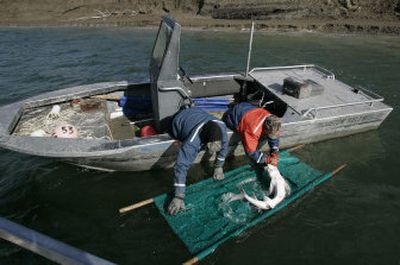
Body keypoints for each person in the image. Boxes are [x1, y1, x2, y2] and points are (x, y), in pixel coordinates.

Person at [165, 107, 228, 215]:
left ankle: (186, 109)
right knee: (173, 130)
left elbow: (224, 147)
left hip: (196, 112)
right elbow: (181, 166)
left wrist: (219, 166)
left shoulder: (221, 127)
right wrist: (179, 196)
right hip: (178, 120)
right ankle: (175, 117)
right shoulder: (192, 142)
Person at [223, 102, 281, 167]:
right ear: (264, 129)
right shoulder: (253, 130)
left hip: (246, 108)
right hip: (231, 117)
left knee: (264, 136)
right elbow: (251, 151)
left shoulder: (271, 119)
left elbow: (274, 135)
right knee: (244, 141)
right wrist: (267, 160)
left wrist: (274, 150)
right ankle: (229, 156)